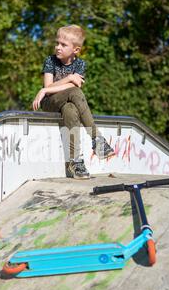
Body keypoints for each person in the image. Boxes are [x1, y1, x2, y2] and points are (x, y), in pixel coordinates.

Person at [32, 24, 115, 179]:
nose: (58, 47)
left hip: (66, 103)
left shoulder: (80, 64)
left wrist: (49, 88)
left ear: (76, 50)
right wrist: (48, 88)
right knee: (75, 92)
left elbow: (73, 86)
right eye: (57, 43)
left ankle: (75, 163)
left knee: (71, 109)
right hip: (50, 103)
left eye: (63, 45)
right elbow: (50, 86)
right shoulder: (50, 61)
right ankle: (97, 139)